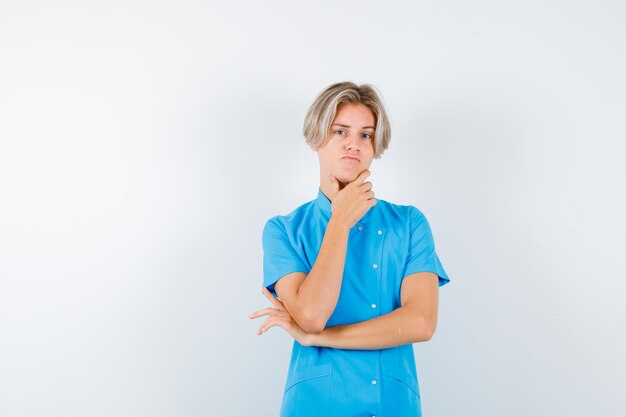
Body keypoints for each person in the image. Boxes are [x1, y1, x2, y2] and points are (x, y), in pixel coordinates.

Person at [248, 81, 451, 417]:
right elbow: (311, 315)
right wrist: (339, 220)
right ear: (317, 139)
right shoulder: (283, 230)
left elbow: (421, 322)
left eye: (365, 135)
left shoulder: (409, 223)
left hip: (391, 405)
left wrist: (321, 339)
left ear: (375, 146)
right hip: (314, 406)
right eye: (340, 132)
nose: (353, 145)